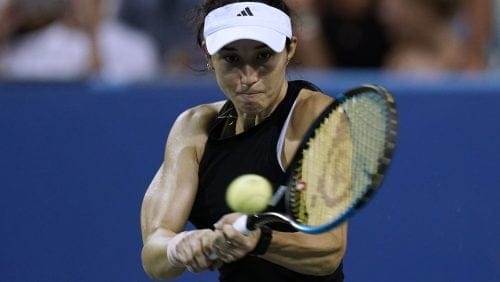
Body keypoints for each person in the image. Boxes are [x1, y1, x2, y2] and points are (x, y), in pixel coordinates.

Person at [140, 1, 347, 281]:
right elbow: (154, 254)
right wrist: (180, 247)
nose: (248, 77)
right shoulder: (193, 128)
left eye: (263, 56)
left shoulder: (315, 116)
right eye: (232, 59)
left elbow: (329, 252)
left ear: (290, 49)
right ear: (208, 53)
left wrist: (260, 241)